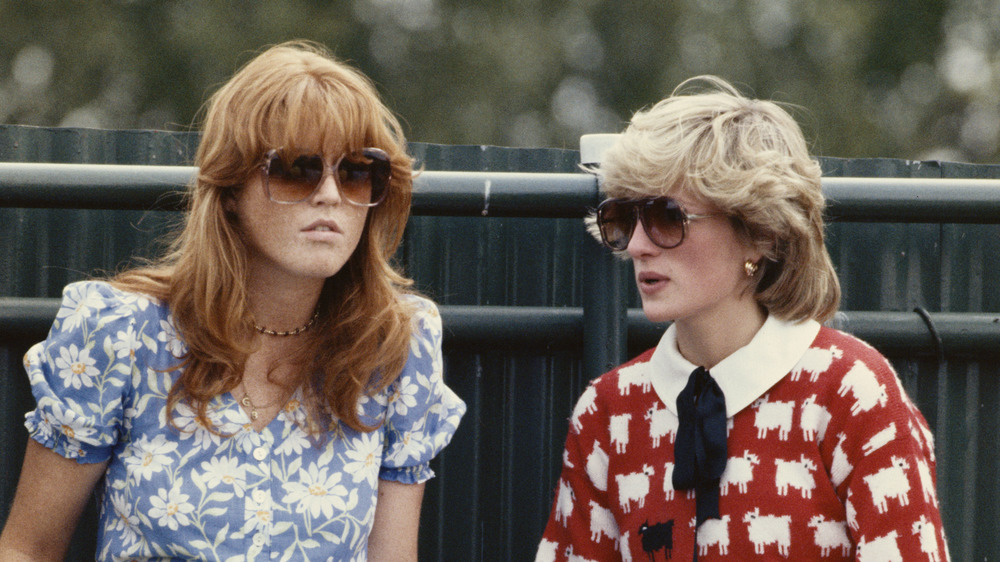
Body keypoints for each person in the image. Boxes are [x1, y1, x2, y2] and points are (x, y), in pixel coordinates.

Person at [0, 40, 465, 561]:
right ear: (229, 192)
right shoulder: (120, 332)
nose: (331, 195)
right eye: (297, 168)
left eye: (357, 172)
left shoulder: (395, 347)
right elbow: (27, 549)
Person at [536, 76, 949, 561]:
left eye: (668, 217)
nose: (637, 245)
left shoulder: (853, 393)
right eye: (623, 219)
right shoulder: (608, 411)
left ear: (760, 232)